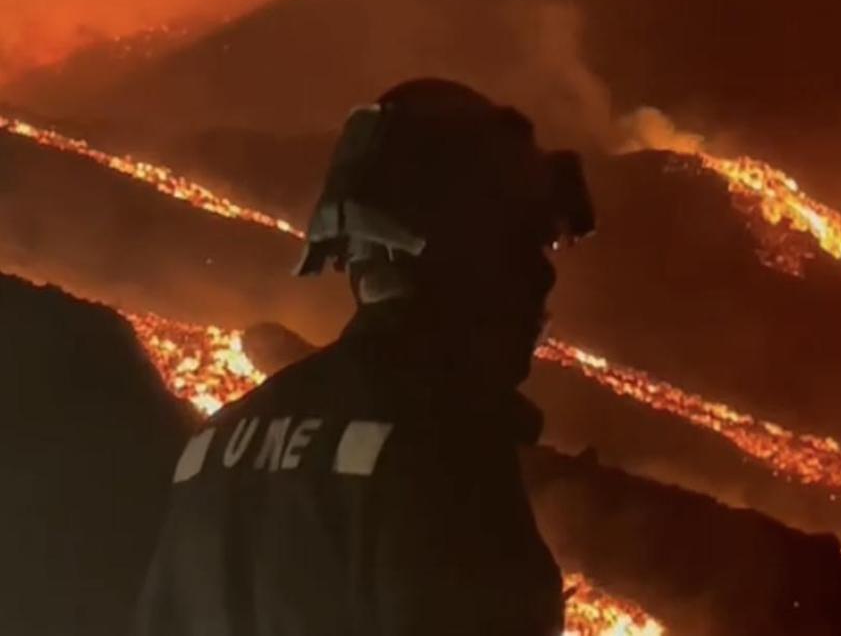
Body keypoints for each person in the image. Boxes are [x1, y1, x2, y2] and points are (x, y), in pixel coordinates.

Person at [133, 78, 594, 636]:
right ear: (471, 253)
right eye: (526, 245)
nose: (543, 280)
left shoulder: (215, 446)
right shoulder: (447, 459)